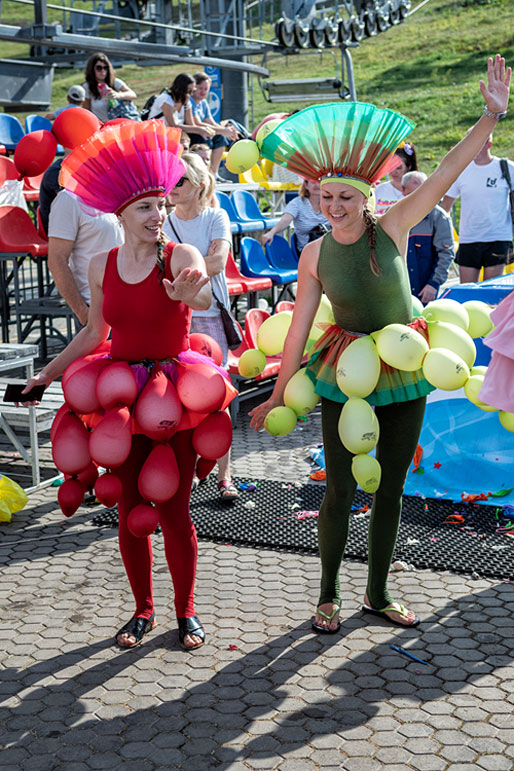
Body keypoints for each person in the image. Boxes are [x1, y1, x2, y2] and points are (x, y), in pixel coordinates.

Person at [250, 55, 511, 634]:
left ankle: (377, 592)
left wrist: (489, 118)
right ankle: (327, 594)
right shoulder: (314, 254)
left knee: (391, 484)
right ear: (315, 200)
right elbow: (298, 328)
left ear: (367, 197)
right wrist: (273, 396)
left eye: (346, 197)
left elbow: (445, 172)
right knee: (339, 486)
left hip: (405, 364)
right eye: (326, 198)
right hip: (346, 370)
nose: (335, 207)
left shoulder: (392, 227)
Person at [21, 122, 236, 650]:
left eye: (161, 205)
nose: (157, 216)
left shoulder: (179, 258)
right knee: (130, 509)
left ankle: (185, 613)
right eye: (145, 208)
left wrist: (186, 293)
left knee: (174, 508)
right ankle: (142, 610)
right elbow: (95, 332)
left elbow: (204, 301)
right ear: (119, 214)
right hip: (118, 395)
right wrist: (47, 374)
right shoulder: (102, 263)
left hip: (170, 394)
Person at [163, 152, 238, 502]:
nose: (172, 187)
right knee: (180, 395)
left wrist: (181, 273)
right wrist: (190, 274)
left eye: (179, 181)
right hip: (177, 312)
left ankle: (224, 474)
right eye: (170, 181)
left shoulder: (216, 216)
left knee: (216, 394)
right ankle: (187, 468)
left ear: (197, 184)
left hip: (210, 314)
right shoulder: (164, 221)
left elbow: (219, 261)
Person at [441, 133, 514, 283]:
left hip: (498, 236)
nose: (473, 149)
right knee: (467, 289)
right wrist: (441, 234)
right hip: (469, 237)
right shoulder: (461, 170)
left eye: (478, 144)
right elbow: (445, 206)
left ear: (489, 145)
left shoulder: (506, 167)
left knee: (490, 291)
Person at [47, 189, 124, 326]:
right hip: (98, 313)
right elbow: (56, 260)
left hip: (132, 306)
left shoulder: (121, 192)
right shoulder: (68, 199)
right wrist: (83, 313)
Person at [402, 171, 455, 304]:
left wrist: (433, 283)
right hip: (399, 291)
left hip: (426, 292)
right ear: (403, 191)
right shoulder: (393, 216)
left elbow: (446, 254)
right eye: (412, 194)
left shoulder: (439, 217)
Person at [187, 72, 238, 177]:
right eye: (200, 88)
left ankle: (214, 173)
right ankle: (201, 173)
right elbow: (197, 123)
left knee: (220, 138)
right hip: (192, 133)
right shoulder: (189, 101)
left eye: (206, 89)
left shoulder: (204, 103)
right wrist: (223, 131)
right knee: (207, 139)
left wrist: (225, 131)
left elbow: (210, 121)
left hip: (202, 132)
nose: (203, 92)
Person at [261, 179, 330, 255]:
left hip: (330, 248)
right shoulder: (297, 203)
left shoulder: (331, 203)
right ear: (306, 185)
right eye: (313, 182)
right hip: (307, 252)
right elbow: (286, 219)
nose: (317, 185)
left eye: (319, 182)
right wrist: (271, 232)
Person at [148, 73, 212, 142]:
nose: (191, 94)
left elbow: (191, 124)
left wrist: (206, 130)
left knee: (205, 139)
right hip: (157, 134)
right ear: (181, 89)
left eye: (193, 91)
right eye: (189, 91)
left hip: (174, 134)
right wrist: (199, 130)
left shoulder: (186, 101)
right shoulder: (166, 99)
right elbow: (173, 125)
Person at [83, 53, 137, 123]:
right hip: (101, 126)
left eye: (105, 68)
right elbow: (87, 111)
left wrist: (118, 95)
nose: (103, 71)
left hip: (118, 124)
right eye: (99, 68)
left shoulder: (115, 82)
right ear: (92, 69)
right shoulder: (87, 86)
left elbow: (133, 94)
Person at [374, 141, 418, 216]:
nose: (393, 171)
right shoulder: (379, 190)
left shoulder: (418, 189)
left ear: (409, 166)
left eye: (398, 168)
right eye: (390, 166)